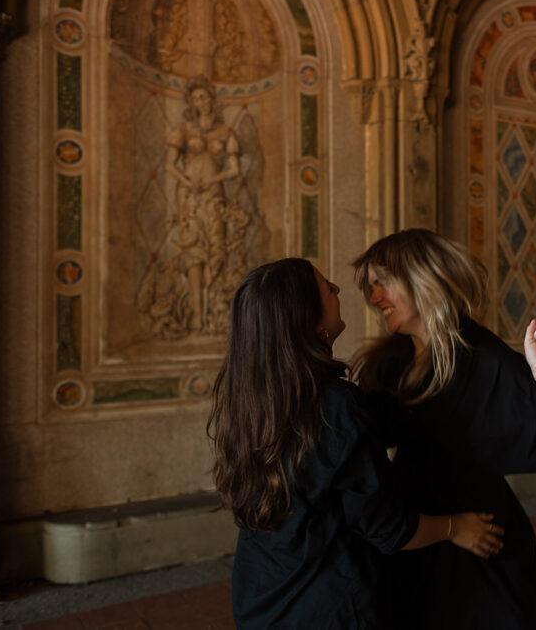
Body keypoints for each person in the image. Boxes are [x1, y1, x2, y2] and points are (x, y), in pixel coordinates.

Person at [208, 258, 504, 629]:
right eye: (326, 288)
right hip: (326, 609)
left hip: (262, 599)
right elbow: (390, 529)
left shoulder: (252, 398)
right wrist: (456, 527)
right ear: (307, 317)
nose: (338, 289)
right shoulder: (334, 405)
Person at [352, 229, 536, 630]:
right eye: (371, 288)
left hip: (484, 544)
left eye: (383, 285)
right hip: (418, 538)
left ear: (420, 279)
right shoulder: (388, 364)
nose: (375, 299)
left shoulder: (487, 360)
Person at [165, 75, 241, 333]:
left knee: (216, 247)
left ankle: (211, 309)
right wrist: (187, 180)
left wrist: (213, 179)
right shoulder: (184, 130)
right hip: (189, 196)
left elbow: (234, 169)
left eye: (205, 96)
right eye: (196, 98)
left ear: (212, 99)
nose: (201, 101)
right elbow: (169, 165)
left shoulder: (225, 132)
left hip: (213, 195)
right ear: (191, 102)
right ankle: (197, 312)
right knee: (193, 249)